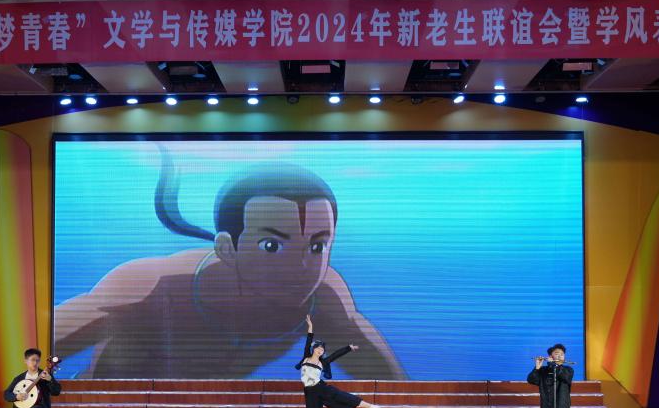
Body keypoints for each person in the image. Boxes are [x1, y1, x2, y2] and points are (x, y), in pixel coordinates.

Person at [55, 155, 405, 380]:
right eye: (272, 246)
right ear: (226, 248)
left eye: (317, 246)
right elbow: (43, 346)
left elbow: (395, 387)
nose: (301, 267)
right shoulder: (152, 287)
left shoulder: (324, 300)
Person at [298, 315, 381, 408]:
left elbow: (336, 355)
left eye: (322, 350)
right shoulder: (306, 357)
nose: (320, 351)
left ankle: (368, 406)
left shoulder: (323, 362)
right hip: (309, 392)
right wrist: (310, 327)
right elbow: (308, 340)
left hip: (320, 388)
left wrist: (348, 348)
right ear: (314, 348)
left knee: (342, 396)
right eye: (318, 348)